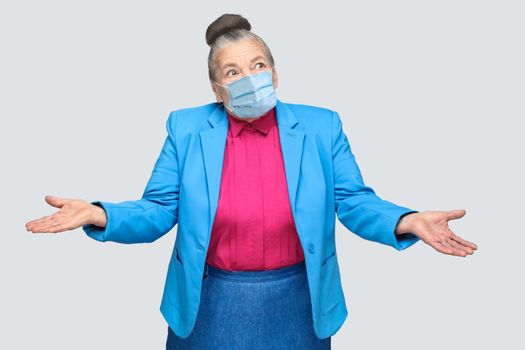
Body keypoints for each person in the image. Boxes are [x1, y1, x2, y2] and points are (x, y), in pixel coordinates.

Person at [25, 13, 478, 350]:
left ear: (276, 73)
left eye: (259, 65)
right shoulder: (186, 130)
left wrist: (408, 220)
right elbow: (158, 209)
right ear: (217, 89)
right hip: (208, 304)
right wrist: (100, 213)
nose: (250, 78)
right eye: (233, 72)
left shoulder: (321, 127)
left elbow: (354, 199)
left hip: (298, 303)